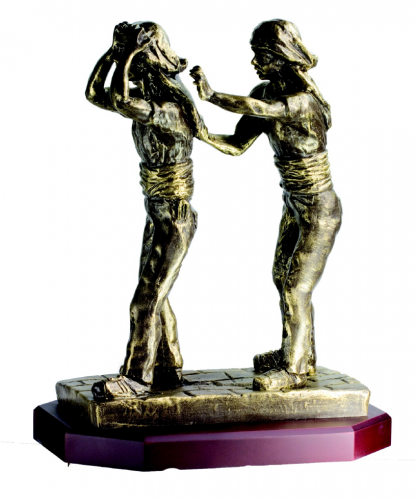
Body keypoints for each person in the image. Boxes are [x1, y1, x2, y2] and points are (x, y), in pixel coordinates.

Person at [191, 19, 342, 391]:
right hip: (294, 206)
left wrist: (211, 96)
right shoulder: (265, 92)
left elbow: (262, 108)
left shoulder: (302, 101)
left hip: (319, 210)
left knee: (295, 288)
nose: (254, 62)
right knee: (282, 279)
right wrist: (198, 131)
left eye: (261, 55)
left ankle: (293, 370)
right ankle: (300, 353)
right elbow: (237, 144)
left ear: (281, 56)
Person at [86, 21, 203, 399]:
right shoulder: (148, 103)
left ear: (148, 64)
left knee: (145, 300)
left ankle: (137, 378)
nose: (131, 75)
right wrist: (115, 54)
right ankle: (167, 363)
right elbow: (94, 94)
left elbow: (121, 101)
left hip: (175, 216)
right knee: (155, 293)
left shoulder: (169, 110)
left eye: (136, 67)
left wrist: (130, 53)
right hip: (158, 212)